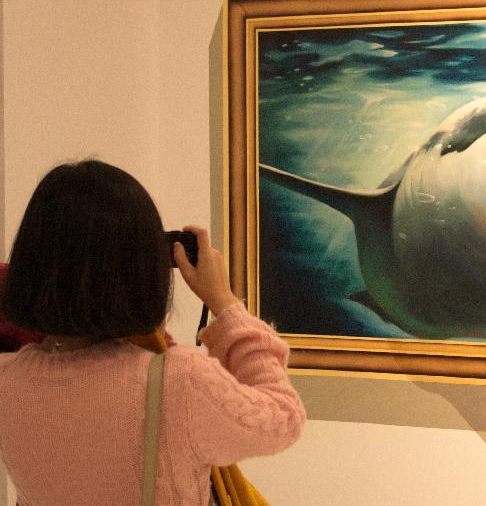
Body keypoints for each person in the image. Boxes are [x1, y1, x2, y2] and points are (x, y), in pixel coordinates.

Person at [0, 160, 305, 505]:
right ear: (143, 268)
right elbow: (283, 418)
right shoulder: (178, 383)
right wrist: (225, 304)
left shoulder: (8, 382)